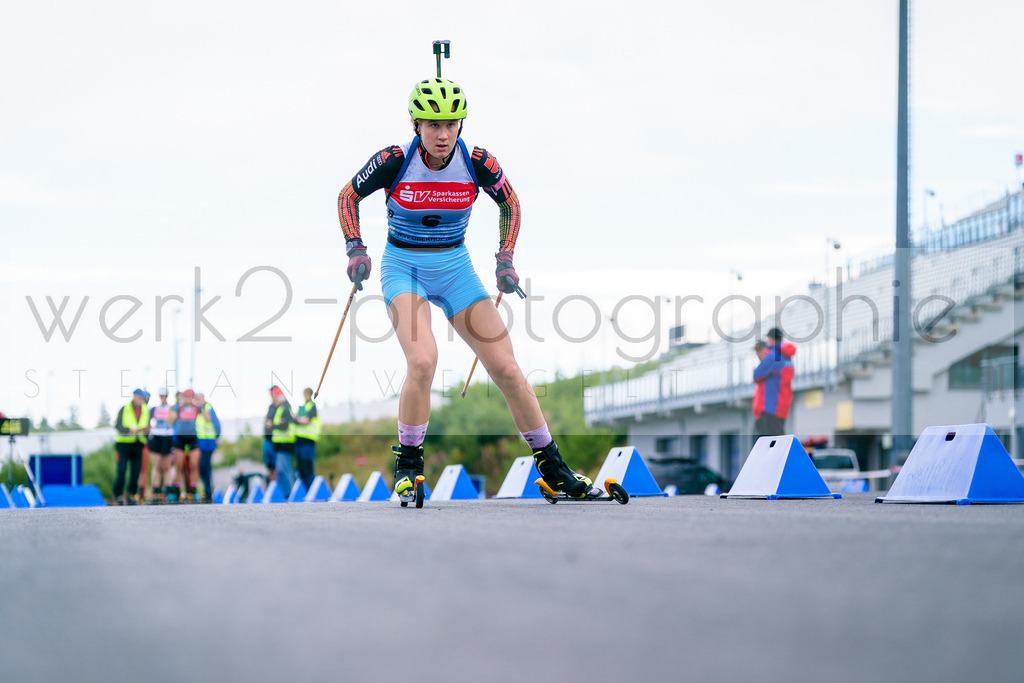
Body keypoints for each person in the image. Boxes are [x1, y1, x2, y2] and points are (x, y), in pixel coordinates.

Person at [336, 75, 598, 502]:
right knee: (423, 361)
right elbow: (348, 195)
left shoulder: (477, 161)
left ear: (461, 124)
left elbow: (509, 203)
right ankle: (408, 465)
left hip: (456, 268)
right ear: (415, 124)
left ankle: (553, 467)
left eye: (451, 124)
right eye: (432, 125)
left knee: (509, 370)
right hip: (405, 267)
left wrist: (505, 258)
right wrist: (355, 247)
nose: (442, 135)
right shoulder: (394, 159)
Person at [752, 327, 796, 437]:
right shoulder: (787, 358)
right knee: (778, 440)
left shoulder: (773, 356)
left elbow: (756, 375)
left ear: (771, 339)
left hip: (770, 407)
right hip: (782, 406)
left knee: (769, 443)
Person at [112, 389, 150, 505]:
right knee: (122, 470)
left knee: (136, 471)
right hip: (123, 444)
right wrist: (129, 430)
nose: (142, 400)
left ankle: (131, 494)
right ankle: (118, 494)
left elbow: (147, 426)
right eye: (140, 397)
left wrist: (145, 430)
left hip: (138, 443)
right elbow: (117, 425)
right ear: (135, 396)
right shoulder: (125, 408)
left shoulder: (145, 410)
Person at [169, 389, 201, 502]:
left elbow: (208, 418)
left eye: (190, 397)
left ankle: (193, 490)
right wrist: (175, 409)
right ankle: (176, 491)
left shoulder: (197, 407)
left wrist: (203, 404)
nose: (188, 399)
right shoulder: (179, 407)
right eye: (186, 397)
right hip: (180, 437)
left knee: (193, 465)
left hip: (192, 437)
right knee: (179, 465)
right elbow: (170, 420)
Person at [147, 388, 175, 503]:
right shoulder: (154, 409)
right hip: (157, 436)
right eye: (161, 395)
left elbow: (173, 421)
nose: (163, 397)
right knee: (157, 465)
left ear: (167, 396)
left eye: (165, 395)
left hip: (167, 436)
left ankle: (167, 489)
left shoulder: (171, 408)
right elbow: (148, 421)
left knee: (166, 466)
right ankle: (156, 490)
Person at [267, 386, 296, 494]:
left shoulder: (285, 408)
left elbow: (285, 426)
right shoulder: (280, 409)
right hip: (280, 445)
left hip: (285, 444)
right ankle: (285, 493)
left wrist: (273, 425)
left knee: (283, 470)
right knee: (282, 470)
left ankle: (287, 494)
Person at [194, 393, 221, 503]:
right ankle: (205, 492)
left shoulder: (207, 407)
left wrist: (217, 437)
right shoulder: (195, 410)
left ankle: (208, 493)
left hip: (208, 442)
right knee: (201, 468)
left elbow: (212, 421)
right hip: (199, 441)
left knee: (205, 467)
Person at [293, 387, 320, 490]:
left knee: (307, 467)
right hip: (299, 441)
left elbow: (306, 421)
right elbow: (297, 419)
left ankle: (311, 489)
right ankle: (305, 489)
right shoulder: (302, 407)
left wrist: (297, 419)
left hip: (308, 441)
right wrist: (298, 419)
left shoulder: (312, 406)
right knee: (301, 468)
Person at [262, 387, 279, 484]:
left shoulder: (280, 407)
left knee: (275, 465)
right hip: (267, 440)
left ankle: (276, 486)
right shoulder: (271, 406)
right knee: (269, 465)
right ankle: (272, 485)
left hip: (274, 440)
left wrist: (271, 424)